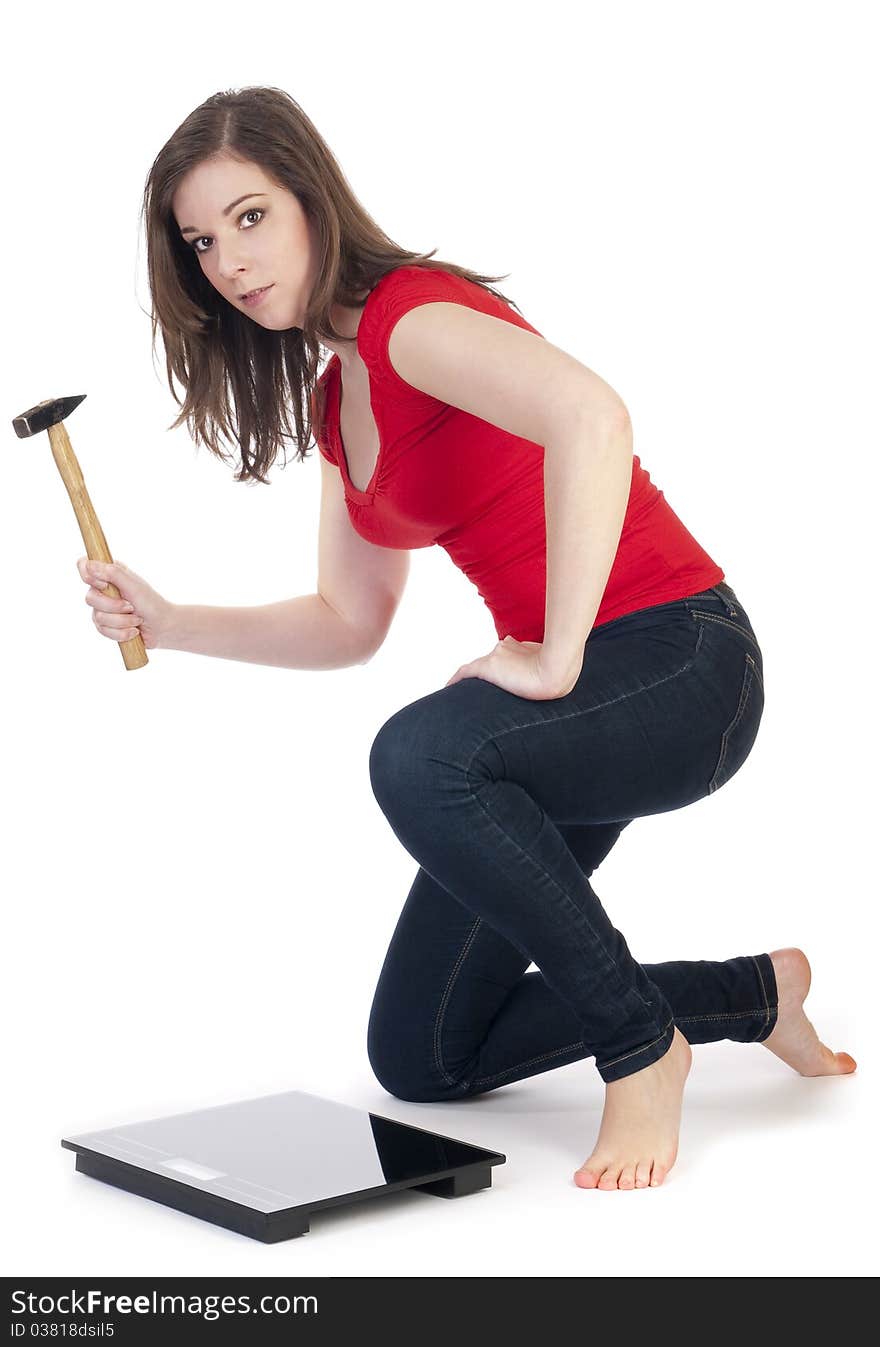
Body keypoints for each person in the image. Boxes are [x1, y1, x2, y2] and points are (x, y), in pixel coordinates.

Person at [77, 85, 856, 1193]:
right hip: (591, 696)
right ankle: (750, 993)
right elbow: (351, 622)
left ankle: (642, 1052)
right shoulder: (337, 391)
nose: (230, 262)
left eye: (250, 218)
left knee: (420, 756)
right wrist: (172, 621)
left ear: (310, 199)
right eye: (202, 242)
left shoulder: (410, 317)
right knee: (426, 1055)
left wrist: (552, 654)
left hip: (684, 660)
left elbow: (593, 418)